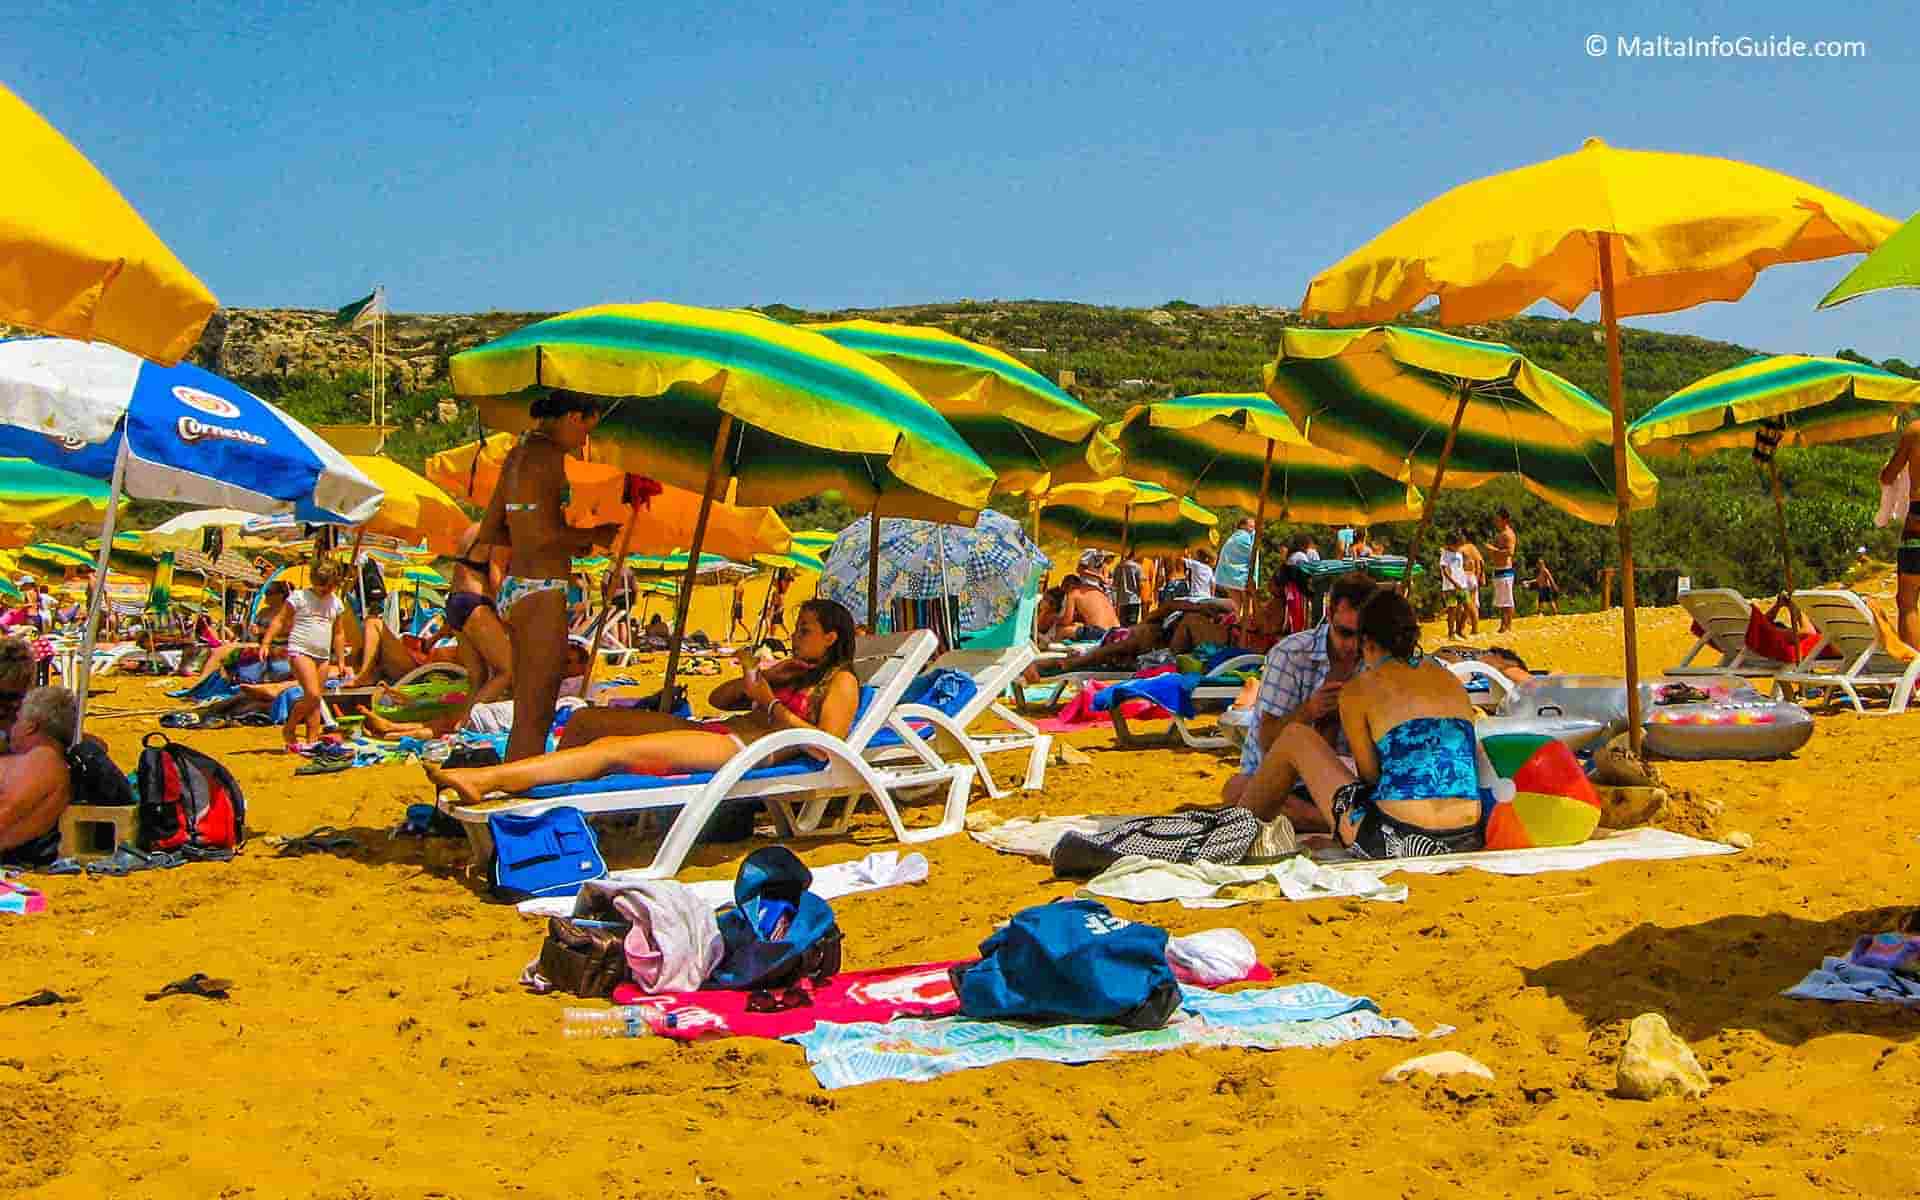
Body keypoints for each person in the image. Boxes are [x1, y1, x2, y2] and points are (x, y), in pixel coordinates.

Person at [427, 599, 862, 805]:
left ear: (831, 638)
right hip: (718, 733)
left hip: (745, 751)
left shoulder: (841, 683)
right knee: (589, 723)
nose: (795, 634)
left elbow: (827, 748)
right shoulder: (793, 671)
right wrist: (765, 678)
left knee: (610, 750)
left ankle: (488, 781)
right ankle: (550, 796)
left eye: (805, 629)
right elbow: (718, 697)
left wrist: (770, 705)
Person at [1235, 589, 1483, 859]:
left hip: (1397, 838)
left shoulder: (1359, 689)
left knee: (1295, 737)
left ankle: (1231, 835)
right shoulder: (1451, 682)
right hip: (1466, 835)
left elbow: (1370, 778)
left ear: (1368, 642)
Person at [470, 390, 622, 761]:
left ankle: (514, 787)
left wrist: (559, 541)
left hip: (518, 587)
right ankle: (518, 801)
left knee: (526, 708)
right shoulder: (548, 457)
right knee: (535, 715)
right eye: (587, 428)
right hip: (541, 588)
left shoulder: (516, 455)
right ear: (572, 417)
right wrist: (591, 536)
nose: (585, 440)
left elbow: (492, 529)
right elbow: (541, 533)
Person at [1221, 573, 1376, 812]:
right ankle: (1336, 823)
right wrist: (1310, 710)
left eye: (1363, 635)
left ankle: (1334, 821)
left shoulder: (1375, 658)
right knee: (1239, 789)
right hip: (1284, 782)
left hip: (1343, 783)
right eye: (1345, 633)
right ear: (1329, 613)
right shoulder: (1291, 655)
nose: (1354, 646)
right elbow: (1268, 741)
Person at [260, 560, 349, 750]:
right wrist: (266, 642)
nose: (325, 590)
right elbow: (280, 620)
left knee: (316, 701)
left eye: (330, 586)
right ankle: (290, 727)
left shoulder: (336, 603)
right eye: (321, 586)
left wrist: (341, 660)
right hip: (300, 651)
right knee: (313, 694)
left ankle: (312, 740)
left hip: (323, 656)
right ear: (313, 581)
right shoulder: (299, 597)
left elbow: (339, 633)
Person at [0, 686, 78, 867]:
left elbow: (7, 812)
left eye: (17, 720)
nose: (11, 728)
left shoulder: (43, 759)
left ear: (30, 726)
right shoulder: (50, 759)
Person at [440, 522, 514, 704]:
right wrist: (507, 615)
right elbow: (496, 577)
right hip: (476, 603)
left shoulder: (473, 528)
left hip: (456, 602)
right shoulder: (501, 532)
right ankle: (469, 722)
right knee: (506, 671)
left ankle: (462, 728)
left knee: (478, 677)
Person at [1883, 416, 1920, 648]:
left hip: (1917, 525)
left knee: (1907, 603)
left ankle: (1916, 676)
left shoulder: (1915, 430)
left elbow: (1888, 476)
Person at [1047, 574, 1122, 642]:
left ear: (1068, 587)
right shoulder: (1096, 589)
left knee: (1062, 630)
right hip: (1117, 629)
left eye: (1065, 592)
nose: (1065, 596)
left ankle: (1053, 650)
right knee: (1078, 626)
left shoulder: (1073, 593)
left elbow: (1067, 620)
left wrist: (1056, 619)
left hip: (1100, 632)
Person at [1489, 508, 1519, 634]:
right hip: (1498, 569)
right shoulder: (1500, 534)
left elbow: (1510, 552)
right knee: (1502, 600)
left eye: (1498, 519)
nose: (1496, 521)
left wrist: (1494, 550)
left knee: (1507, 599)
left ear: (1504, 520)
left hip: (1505, 570)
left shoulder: (1508, 534)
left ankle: (1508, 626)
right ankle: (1503, 625)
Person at [1216, 518, 1257, 607]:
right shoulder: (1244, 536)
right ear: (1242, 526)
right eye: (1251, 525)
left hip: (1227, 575)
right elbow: (1253, 552)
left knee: (1237, 606)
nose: (1254, 528)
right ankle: (1245, 619)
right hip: (1241, 576)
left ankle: (1238, 619)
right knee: (1247, 606)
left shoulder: (1233, 537)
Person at [1438, 532, 1469, 639]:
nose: (1459, 546)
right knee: (1452, 610)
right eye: (1457, 544)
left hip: (1462, 585)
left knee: (1466, 608)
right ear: (1450, 543)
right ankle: (1451, 633)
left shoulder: (1459, 553)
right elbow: (1445, 571)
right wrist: (1455, 583)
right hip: (1450, 587)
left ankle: (1459, 630)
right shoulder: (1445, 555)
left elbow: (1460, 568)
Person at [1457, 532, 1484, 635]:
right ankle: (1473, 628)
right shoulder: (1472, 547)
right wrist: (1480, 575)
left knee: (1464, 605)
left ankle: (1462, 628)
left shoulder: (1460, 549)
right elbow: (1481, 561)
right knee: (1473, 605)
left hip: (1465, 577)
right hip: (1473, 577)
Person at [1112, 551, 1146, 626]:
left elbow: (1114, 584)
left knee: (1123, 625)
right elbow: (1141, 585)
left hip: (1122, 601)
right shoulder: (1137, 567)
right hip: (1134, 600)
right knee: (1132, 625)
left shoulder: (1118, 566)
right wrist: (1142, 597)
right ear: (1134, 554)